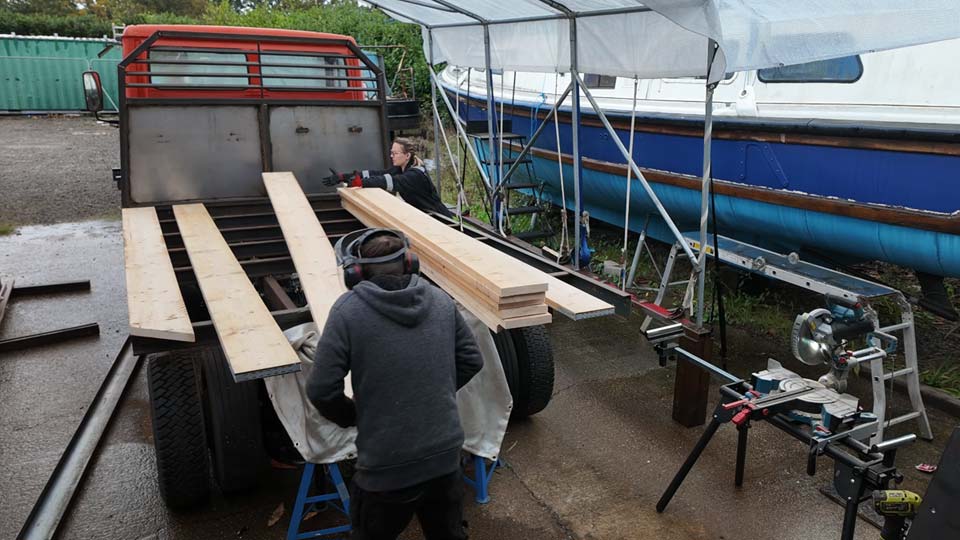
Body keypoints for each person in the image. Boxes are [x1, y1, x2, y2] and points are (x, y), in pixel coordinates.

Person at [306, 228, 483, 540]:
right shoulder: (441, 300)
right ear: (410, 263)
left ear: (355, 272)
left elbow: (321, 390)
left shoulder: (347, 312)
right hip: (444, 459)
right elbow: (471, 360)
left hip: (385, 470)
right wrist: (432, 393)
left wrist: (354, 416)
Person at [323, 137, 452, 217]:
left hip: (439, 218)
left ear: (407, 155)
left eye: (395, 153)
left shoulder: (415, 174)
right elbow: (377, 174)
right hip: (424, 215)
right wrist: (344, 176)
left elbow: (388, 181)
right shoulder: (400, 169)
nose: (392, 156)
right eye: (391, 153)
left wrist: (360, 183)